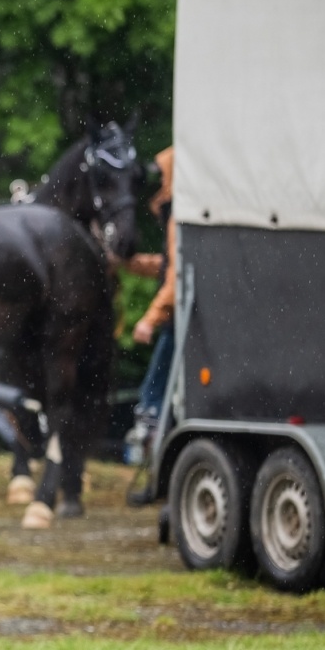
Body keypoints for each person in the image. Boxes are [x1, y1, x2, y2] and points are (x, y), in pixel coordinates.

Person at [125, 146, 175, 491]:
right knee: (157, 398)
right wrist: (130, 263)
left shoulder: (181, 218)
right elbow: (166, 265)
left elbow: (177, 279)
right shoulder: (179, 216)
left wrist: (149, 319)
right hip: (178, 323)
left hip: (178, 325)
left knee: (152, 400)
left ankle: (151, 468)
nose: (157, 180)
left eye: (161, 173)